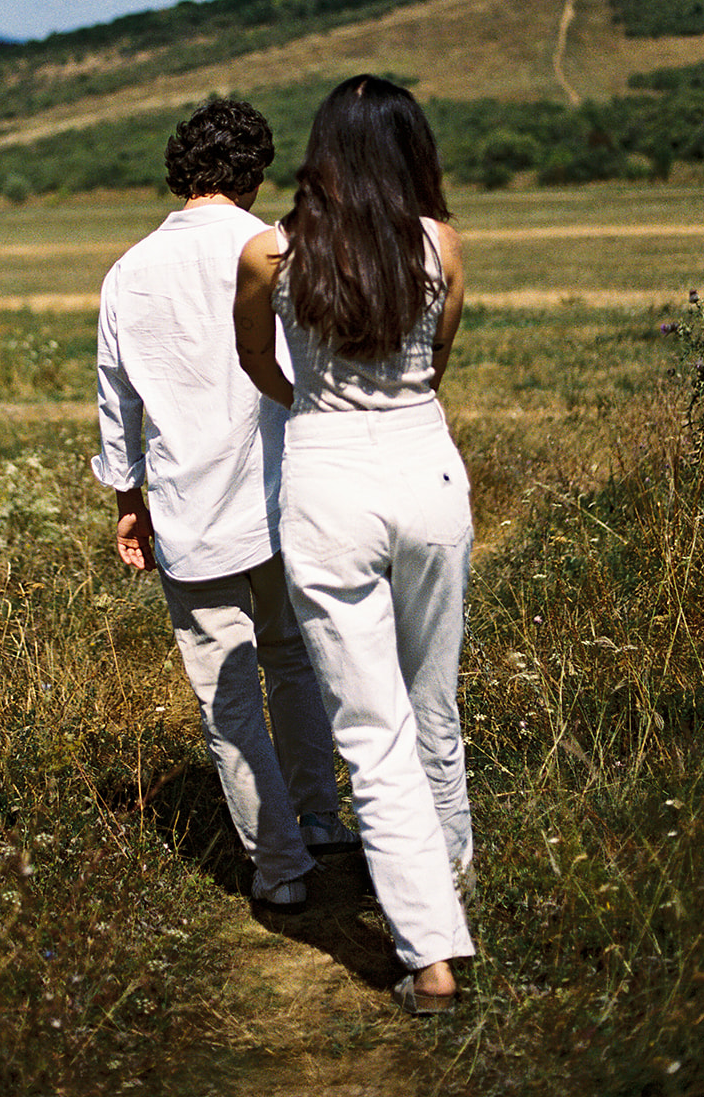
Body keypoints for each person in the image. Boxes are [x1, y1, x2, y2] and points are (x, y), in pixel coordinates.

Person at [233, 75, 475, 1013]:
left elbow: (259, 362)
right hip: (426, 467)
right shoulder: (441, 246)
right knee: (434, 703)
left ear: (321, 151)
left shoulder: (274, 254)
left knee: (372, 733)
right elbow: (442, 356)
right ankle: (456, 886)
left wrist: (319, 409)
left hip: (328, 481)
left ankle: (431, 955)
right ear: (413, 149)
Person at [91, 97, 357, 912]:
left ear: (178, 172)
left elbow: (117, 402)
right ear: (255, 173)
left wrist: (128, 498)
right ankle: (320, 819)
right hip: (287, 492)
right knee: (295, 660)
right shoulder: (275, 248)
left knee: (227, 690)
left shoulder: (128, 271)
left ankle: (277, 868)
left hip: (188, 508)